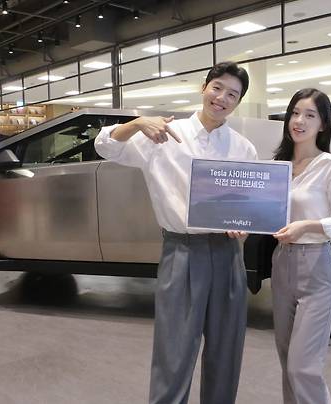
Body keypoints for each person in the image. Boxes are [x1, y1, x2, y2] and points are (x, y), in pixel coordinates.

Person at [94, 61, 257, 404]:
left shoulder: (243, 148)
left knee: (226, 351)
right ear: (204, 87)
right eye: (217, 88)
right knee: (174, 353)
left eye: (232, 94)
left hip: (228, 258)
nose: (222, 98)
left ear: (238, 102)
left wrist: (243, 228)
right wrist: (137, 123)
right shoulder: (164, 134)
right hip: (182, 251)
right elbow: (105, 146)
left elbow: (247, 208)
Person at [271, 88, 331, 404]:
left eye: (310, 115)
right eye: (295, 112)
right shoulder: (278, 167)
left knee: (303, 367)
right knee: (286, 359)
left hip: (317, 267)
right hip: (281, 265)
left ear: (323, 124)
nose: (299, 120)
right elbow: (266, 214)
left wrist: (308, 226)